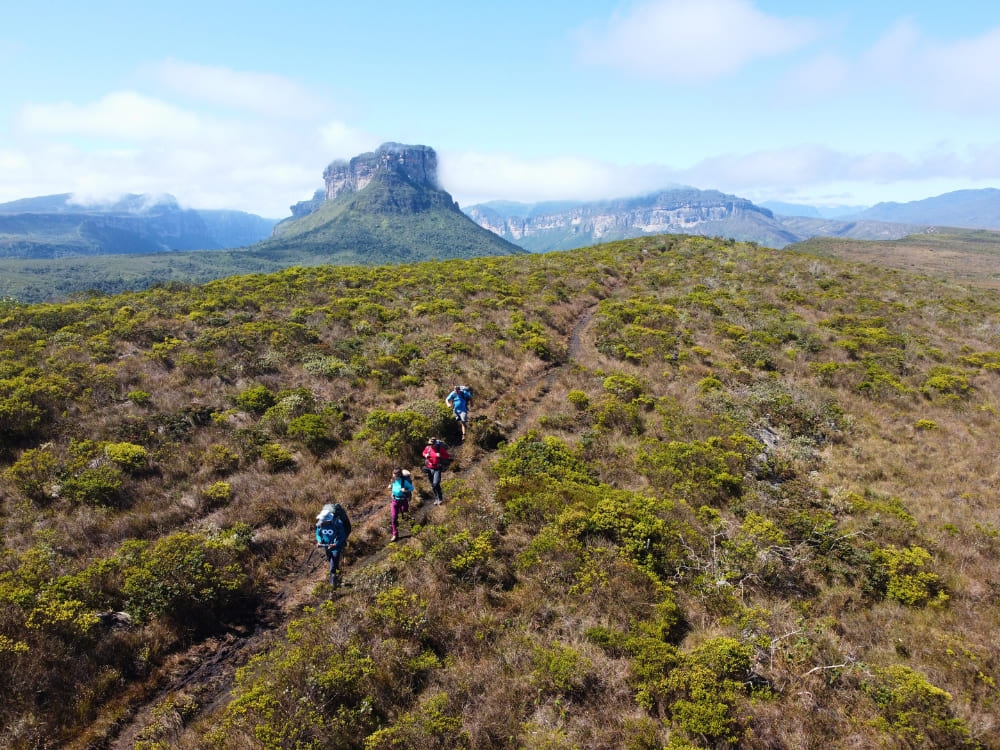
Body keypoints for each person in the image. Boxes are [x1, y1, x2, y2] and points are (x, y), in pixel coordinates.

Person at [315, 502, 351, 586]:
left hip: (336, 546)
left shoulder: (337, 523)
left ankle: (332, 585)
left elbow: (342, 536)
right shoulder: (320, 524)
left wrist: (336, 544)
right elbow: (318, 534)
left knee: (332, 565)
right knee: (331, 560)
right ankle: (338, 576)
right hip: (327, 545)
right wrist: (319, 541)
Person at [421, 437, 451, 505]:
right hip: (429, 468)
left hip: (437, 468)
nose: (431, 445)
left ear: (435, 444)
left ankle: (440, 498)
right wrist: (426, 455)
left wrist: (440, 456)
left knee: (436, 483)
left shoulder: (439, 449)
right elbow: (423, 453)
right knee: (433, 485)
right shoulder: (427, 448)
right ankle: (437, 498)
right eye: (430, 444)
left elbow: (447, 456)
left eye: (432, 444)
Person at [388, 468, 413, 542]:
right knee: (394, 518)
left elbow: (412, 488)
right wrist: (391, 491)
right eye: (393, 474)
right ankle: (395, 534)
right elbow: (392, 488)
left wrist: (405, 490)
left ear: (398, 475)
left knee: (404, 515)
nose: (393, 476)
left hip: (403, 501)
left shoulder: (404, 481)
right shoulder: (393, 480)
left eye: (395, 475)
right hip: (395, 501)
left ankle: (412, 522)